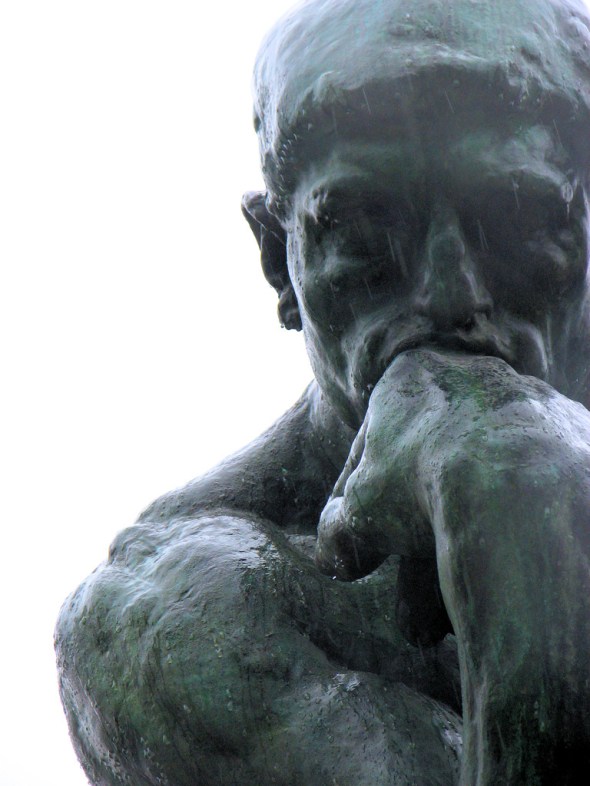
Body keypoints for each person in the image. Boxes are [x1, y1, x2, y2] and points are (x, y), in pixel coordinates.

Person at [55, 0, 590, 783]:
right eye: (369, 231)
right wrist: (529, 524)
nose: (449, 296)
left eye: (515, 221)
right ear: (280, 259)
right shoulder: (178, 615)